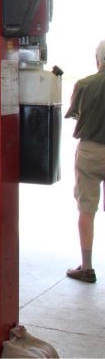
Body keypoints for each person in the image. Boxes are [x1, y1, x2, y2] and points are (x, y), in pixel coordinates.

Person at [64, 39, 105, 283]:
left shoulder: (84, 84)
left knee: (86, 209)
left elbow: (74, 113)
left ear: (98, 59)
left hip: (90, 151)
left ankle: (87, 267)